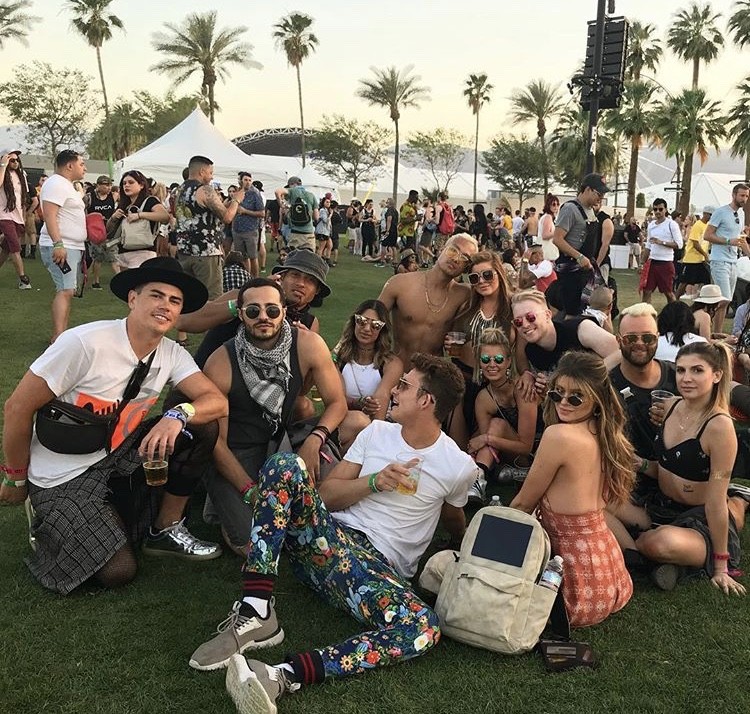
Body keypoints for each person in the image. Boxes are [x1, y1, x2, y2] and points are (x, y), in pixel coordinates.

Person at [190, 354, 476, 714]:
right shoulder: (376, 432)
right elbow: (326, 496)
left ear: (426, 401)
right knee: (285, 464)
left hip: (374, 571)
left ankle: (281, 674)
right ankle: (257, 608)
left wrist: (459, 545)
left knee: (423, 627)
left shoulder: (457, 465)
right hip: (327, 540)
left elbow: (454, 515)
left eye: (403, 385)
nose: (393, 391)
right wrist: (374, 482)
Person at [1, 258, 228, 593]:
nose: (165, 305)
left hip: (117, 454)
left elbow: (216, 401)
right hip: (62, 474)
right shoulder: (85, 343)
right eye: (156, 295)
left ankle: (163, 529)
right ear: (132, 299)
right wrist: (15, 477)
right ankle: (49, 524)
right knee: (118, 571)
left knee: (202, 428)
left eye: (174, 301)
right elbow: (17, 407)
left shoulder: (171, 353)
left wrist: (176, 416)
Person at [200, 277, 347, 552]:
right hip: (237, 452)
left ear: (284, 311)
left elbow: (337, 403)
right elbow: (216, 443)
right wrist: (249, 490)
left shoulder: (308, 344)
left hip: (281, 442)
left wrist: (315, 440)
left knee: (333, 491)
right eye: (253, 311)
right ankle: (222, 501)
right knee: (253, 546)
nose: (263, 317)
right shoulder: (221, 361)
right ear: (241, 315)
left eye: (272, 309)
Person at [610, 342, 749, 594]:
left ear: (716, 375)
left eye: (697, 370)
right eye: (681, 370)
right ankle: (644, 559)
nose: (686, 378)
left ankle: (738, 499)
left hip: (699, 517)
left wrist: (720, 569)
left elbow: (716, 503)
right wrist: (638, 463)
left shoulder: (719, 427)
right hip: (659, 505)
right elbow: (666, 466)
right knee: (597, 503)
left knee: (658, 542)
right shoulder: (671, 405)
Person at [510, 351, 634, 627]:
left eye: (576, 397)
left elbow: (522, 505)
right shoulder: (603, 432)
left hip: (569, 584)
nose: (564, 403)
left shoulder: (559, 436)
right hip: (610, 575)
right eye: (557, 393)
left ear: (597, 400)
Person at [184, 250, 332, 369]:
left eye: (310, 280)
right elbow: (188, 321)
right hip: (209, 379)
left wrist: (305, 346)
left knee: (304, 406)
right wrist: (245, 303)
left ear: (317, 291)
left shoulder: (309, 323)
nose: (301, 283)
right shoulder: (240, 296)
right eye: (295, 275)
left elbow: (302, 377)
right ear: (280, 277)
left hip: (257, 394)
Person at [378, 233, 479, 370]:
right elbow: (371, 320)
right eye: (452, 250)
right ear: (441, 249)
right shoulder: (400, 284)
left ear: (467, 267)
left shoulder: (464, 294)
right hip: (397, 370)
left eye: (464, 258)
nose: (456, 259)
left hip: (433, 378)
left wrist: (460, 343)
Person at [467, 328, 540, 498]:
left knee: (496, 425)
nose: (492, 364)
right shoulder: (483, 398)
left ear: (508, 362)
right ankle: (478, 478)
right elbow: (488, 448)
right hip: (507, 455)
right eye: (485, 359)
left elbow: (526, 446)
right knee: (495, 426)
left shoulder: (522, 389)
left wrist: (486, 438)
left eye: (498, 359)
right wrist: (485, 439)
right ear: (479, 363)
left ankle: (477, 478)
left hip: (534, 454)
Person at [512, 289, 619, 399]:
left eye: (530, 317)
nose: (524, 325)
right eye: (518, 322)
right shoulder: (532, 351)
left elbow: (621, 351)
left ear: (548, 315)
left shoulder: (580, 329)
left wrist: (581, 380)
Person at [332, 299, 404, 446]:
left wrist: (374, 440)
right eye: (362, 321)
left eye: (375, 325)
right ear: (354, 322)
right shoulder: (338, 359)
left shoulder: (391, 363)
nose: (366, 328)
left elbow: (381, 397)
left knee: (363, 429)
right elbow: (337, 399)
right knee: (360, 421)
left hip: (379, 424)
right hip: (345, 421)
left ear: (382, 330)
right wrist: (359, 404)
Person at [175, 155, 245, 300]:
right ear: (202, 171)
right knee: (212, 299)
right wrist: (236, 200)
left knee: (189, 297)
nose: (212, 177)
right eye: (210, 173)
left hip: (184, 251)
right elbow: (227, 217)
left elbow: (196, 213)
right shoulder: (204, 190)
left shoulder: (179, 190)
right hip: (206, 253)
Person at [38, 150, 88, 343]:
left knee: (68, 290)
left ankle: (62, 335)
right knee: (65, 290)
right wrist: (58, 243)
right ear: (70, 165)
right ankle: (58, 338)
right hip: (61, 245)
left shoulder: (66, 186)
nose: (85, 168)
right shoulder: (56, 184)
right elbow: (49, 215)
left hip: (71, 245)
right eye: (82, 164)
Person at [551, 174, 609, 317]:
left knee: (585, 310)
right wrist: (579, 257)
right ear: (588, 189)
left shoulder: (591, 211)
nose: (600, 199)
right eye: (599, 194)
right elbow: (557, 239)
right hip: (571, 270)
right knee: (572, 312)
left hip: (585, 269)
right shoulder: (570, 209)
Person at [703, 183, 750, 333]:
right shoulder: (720, 212)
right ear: (734, 194)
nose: (744, 199)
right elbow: (707, 235)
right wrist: (729, 241)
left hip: (733, 261)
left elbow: (740, 240)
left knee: (727, 300)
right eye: (742, 195)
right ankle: (713, 331)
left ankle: (717, 332)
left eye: (747, 196)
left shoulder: (741, 214)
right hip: (719, 260)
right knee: (722, 300)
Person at [107, 170, 170, 270]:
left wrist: (140, 215)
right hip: (123, 253)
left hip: (143, 253)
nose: (126, 185)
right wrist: (114, 217)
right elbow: (109, 230)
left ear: (141, 185)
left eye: (131, 182)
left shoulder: (150, 201)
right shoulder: (124, 205)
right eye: (124, 183)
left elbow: (165, 216)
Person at [641, 198, 684, 304]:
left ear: (665, 210)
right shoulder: (651, 225)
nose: (658, 212)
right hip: (652, 262)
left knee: (668, 293)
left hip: (666, 262)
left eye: (660, 209)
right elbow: (648, 246)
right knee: (646, 291)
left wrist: (662, 242)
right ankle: (647, 317)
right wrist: (642, 263)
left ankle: (675, 314)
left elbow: (679, 244)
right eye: (655, 209)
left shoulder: (671, 224)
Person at [0, 149, 32, 289]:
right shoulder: (3, 173)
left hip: (18, 217)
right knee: (15, 248)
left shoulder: (21, 175)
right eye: (11, 160)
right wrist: (3, 165)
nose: (15, 162)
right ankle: (23, 279)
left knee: (6, 250)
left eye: (17, 160)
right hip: (5, 215)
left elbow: (24, 199)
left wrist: (24, 217)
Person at [87, 175, 120, 290]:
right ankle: (95, 281)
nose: (108, 187)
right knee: (98, 258)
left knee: (114, 257)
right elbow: (81, 212)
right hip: (96, 232)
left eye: (110, 185)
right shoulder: (89, 197)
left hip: (110, 231)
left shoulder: (114, 196)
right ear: (98, 185)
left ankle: (120, 280)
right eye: (105, 185)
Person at [232, 172, 265, 278]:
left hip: (250, 229)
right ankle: (246, 277)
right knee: (242, 257)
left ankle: (255, 278)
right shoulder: (237, 192)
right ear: (241, 180)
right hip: (237, 229)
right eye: (245, 180)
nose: (248, 182)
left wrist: (245, 211)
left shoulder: (255, 193)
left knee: (253, 256)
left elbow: (262, 213)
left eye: (249, 180)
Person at [676, 206, 713, 299]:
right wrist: (705, 255)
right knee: (684, 282)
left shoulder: (707, 226)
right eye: (711, 215)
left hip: (700, 260)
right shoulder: (698, 225)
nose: (712, 217)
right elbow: (695, 243)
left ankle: (701, 300)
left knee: (706, 280)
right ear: (705, 214)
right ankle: (674, 301)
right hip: (691, 259)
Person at [275, 177, 318, 252]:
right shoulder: (311, 195)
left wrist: (281, 205)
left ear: (292, 184)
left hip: (296, 232)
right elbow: (316, 217)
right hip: (309, 233)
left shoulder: (292, 191)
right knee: (309, 259)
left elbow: (277, 191)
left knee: (293, 260)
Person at [537, 193, 559, 261]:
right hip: (547, 250)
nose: (556, 207)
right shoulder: (548, 217)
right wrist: (558, 232)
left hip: (545, 249)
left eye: (557, 204)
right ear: (548, 205)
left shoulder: (546, 217)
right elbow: (545, 235)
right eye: (553, 204)